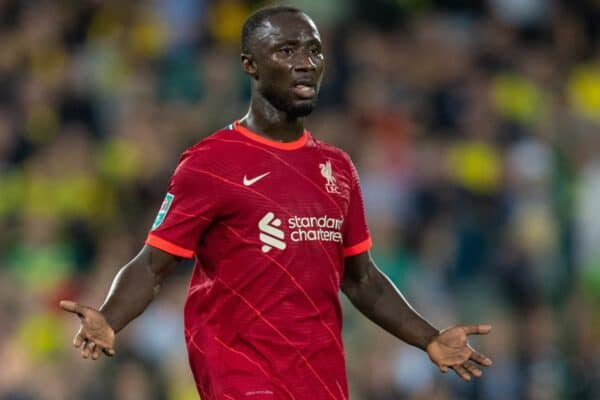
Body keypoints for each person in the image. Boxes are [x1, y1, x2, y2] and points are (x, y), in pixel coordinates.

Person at [60, 5, 492, 399]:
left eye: (315, 51)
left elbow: (361, 280)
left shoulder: (337, 168)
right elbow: (153, 265)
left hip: (322, 386)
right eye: (287, 50)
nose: (306, 63)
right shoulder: (211, 162)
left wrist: (428, 338)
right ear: (250, 64)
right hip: (242, 383)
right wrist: (110, 317)